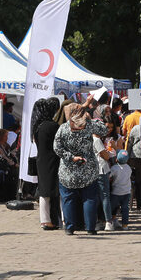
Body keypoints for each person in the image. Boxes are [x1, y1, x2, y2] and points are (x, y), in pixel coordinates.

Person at [52, 102, 106, 235]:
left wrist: (70, 157)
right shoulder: (88, 126)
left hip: (68, 170)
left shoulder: (63, 128)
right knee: (90, 199)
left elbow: (57, 148)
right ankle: (90, 228)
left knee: (68, 199)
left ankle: (70, 228)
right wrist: (89, 119)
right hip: (88, 168)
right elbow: (104, 129)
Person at [34, 98, 62, 230]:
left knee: (44, 190)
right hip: (52, 160)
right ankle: (48, 220)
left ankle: (45, 220)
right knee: (51, 190)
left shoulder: (37, 126)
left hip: (41, 160)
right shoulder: (52, 126)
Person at [109, 149, 132, 229]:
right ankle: (125, 225)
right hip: (126, 192)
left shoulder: (114, 168)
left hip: (116, 192)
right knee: (125, 209)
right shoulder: (129, 168)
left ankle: (111, 222)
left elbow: (109, 177)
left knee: (112, 207)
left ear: (116, 159)